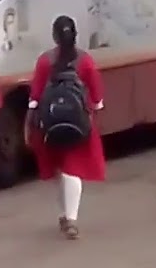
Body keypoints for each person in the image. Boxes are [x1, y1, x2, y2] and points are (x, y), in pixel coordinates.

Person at [26, 16, 106, 239]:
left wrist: (30, 124)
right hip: (79, 123)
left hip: (50, 123)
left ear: (54, 36)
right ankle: (71, 218)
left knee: (59, 168)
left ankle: (64, 215)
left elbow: (34, 98)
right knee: (74, 169)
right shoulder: (85, 61)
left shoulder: (44, 61)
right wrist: (94, 111)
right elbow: (98, 99)